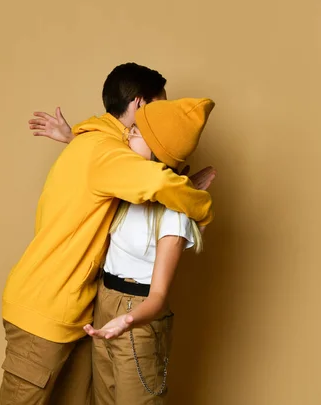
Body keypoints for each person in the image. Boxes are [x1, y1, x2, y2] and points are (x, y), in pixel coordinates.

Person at [0, 63, 215, 405]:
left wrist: (73, 138)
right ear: (141, 106)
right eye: (160, 108)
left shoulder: (96, 142)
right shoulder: (105, 152)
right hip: (44, 310)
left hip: (82, 312)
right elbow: (155, 179)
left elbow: (116, 163)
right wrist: (201, 206)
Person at [82, 98, 215, 405]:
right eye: (132, 127)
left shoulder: (174, 215)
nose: (128, 134)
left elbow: (157, 298)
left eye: (138, 132)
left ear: (159, 149)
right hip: (105, 303)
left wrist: (127, 321)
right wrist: (67, 136)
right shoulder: (129, 188)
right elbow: (98, 156)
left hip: (138, 313)